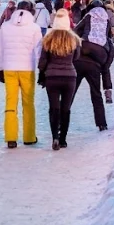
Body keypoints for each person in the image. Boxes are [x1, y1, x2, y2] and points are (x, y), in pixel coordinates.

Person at [0, 0, 43, 148]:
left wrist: (0, 68)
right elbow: (38, 51)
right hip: (27, 69)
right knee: (28, 103)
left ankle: (11, 137)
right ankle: (29, 136)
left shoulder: (5, 26)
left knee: (10, 102)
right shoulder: (34, 28)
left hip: (9, 68)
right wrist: (41, 68)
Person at [38, 17, 81, 150]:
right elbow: (76, 57)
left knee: (54, 108)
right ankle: (63, 139)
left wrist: (42, 73)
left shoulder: (48, 39)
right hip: (69, 77)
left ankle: (55, 137)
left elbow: (42, 61)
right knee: (66, 109)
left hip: (52, 77)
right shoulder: (74, 39)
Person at [74, 0, 112, 130]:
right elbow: (108, 36)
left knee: (70, 93)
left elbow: (76, 30)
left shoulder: (88, 16)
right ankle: (102, 123)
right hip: (97, 60)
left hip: (81, 57)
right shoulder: (106, 19)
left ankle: (61, 122)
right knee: (96, 93)